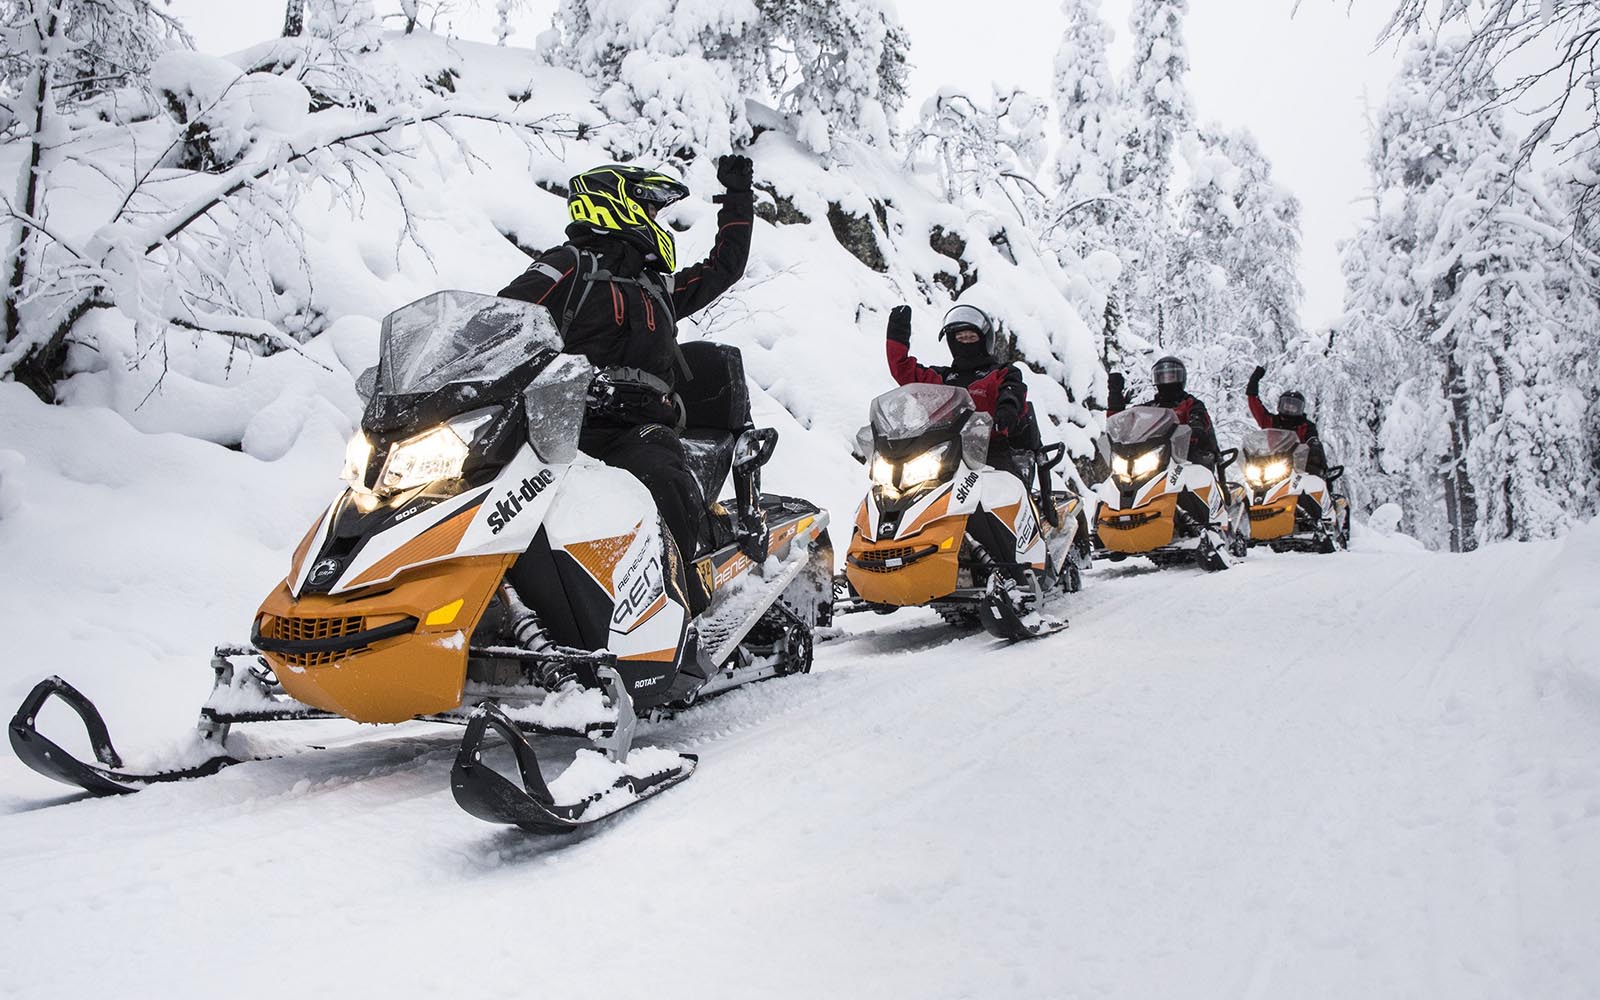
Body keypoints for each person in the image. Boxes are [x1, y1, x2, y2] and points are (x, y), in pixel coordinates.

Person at [498, 157, 755, 615]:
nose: (656, 222)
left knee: (661, 478)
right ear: (618, 204)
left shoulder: (657, 286)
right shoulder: (568, 266)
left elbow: (724, 268)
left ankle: (681, 612)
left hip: (639, 430)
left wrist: (737, 199)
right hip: (562, 428)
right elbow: (502, 321)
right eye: (650, 210)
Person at [885, 302, 1044, 489]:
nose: (965, 342)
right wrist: (897, 332)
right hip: (944, 454)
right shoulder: (942, 378)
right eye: (960, 337)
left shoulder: (1001, 373)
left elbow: (1013, 393)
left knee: (1002, 494)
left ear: (984, 339)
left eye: (971, 337)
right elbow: (903, 371)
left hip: (990, 451)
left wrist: (1006, 412)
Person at [1106, 355, 1221, 467]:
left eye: (1171, 376)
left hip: (1188, 458)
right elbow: (1122, 423)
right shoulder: (1149, 409)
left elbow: (1200, 420)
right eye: (1162, 377)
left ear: (1181, 377)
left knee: (1197, 463)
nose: (1166, 381)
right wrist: (1115, 397)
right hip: (1155, 458)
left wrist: (1195, 428)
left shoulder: (1191, 404)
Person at [1245, 365, 1328, 476]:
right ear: (1280, 405)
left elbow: (1312, 439)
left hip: (1298, 468)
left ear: (1300, 408)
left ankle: (1324, 484)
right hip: (1271, 463)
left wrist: (1314, 445)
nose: (1289, 409)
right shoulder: (1271, 421)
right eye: (1286, 405)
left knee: (1316, 467)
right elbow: (1255, 405)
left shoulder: (1306, 426)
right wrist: (1254, 381)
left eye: (1293, 406)